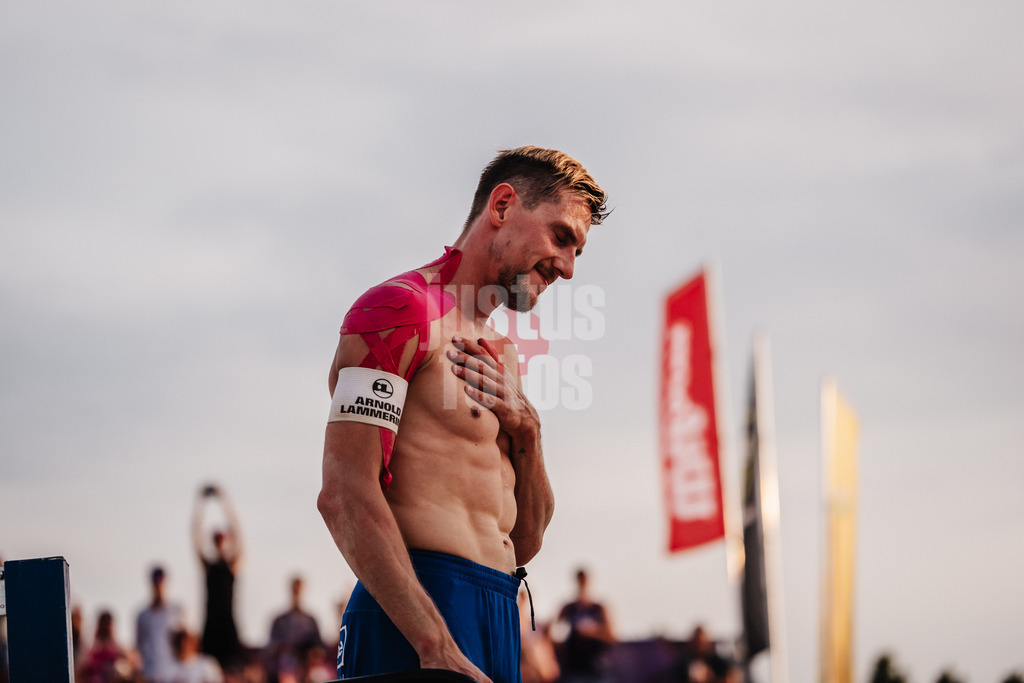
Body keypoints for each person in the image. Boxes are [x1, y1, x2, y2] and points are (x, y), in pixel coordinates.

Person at [318, 146, 609, 683]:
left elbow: (524, 543)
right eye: (561, 236)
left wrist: (529, 431)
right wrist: (434, 644)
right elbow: (344, 493)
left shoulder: (502, 356)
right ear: (502, 206)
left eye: (577, 252)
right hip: (417, 615)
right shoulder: (396, 310)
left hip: (496, 611)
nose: (568, 268)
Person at [192, 484, 244, 670]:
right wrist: (200, 504)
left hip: (228, 627)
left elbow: (237, 531)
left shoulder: (232, 565)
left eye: (222, 538)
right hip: (210, 629)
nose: (220, 543)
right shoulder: (209, 566)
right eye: (217, 539)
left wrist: (224, 500)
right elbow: (195, 535)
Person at [554, 568, 616, 683]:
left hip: (596, 669)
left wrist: (592, 632)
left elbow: (612, 637)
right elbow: (554, 630)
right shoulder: (568, 608)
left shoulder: (599, 608)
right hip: (574, 668)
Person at [266, 575, 323, 682]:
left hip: (307, 668)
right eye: (295, 590)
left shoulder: (311, 620)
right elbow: (271, 648)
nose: (297, 594)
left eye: (299, 590)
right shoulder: (279, 621)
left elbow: (319, 649)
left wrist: (311, 658)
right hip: (286, 667)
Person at [137, 566, 185, 683]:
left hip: (173, 675)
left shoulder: (177, 611)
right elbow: (139, 645)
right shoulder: (143, 616)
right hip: (150, 674)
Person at [79, 610, 138, 683]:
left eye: (107, 625)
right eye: (104, 625)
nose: (106, 628)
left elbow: (134, 662)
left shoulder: (115, 646)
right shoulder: (92, 646)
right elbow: (82, 668)